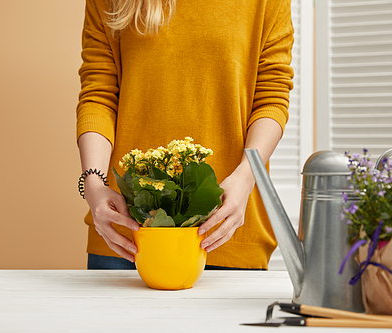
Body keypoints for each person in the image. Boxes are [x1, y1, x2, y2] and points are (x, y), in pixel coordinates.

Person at [77, 0, 294, 270]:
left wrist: (245, 178)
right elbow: (99, 96)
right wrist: (93, 185)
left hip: (227, 228)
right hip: (128, 231)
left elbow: (271, 98)